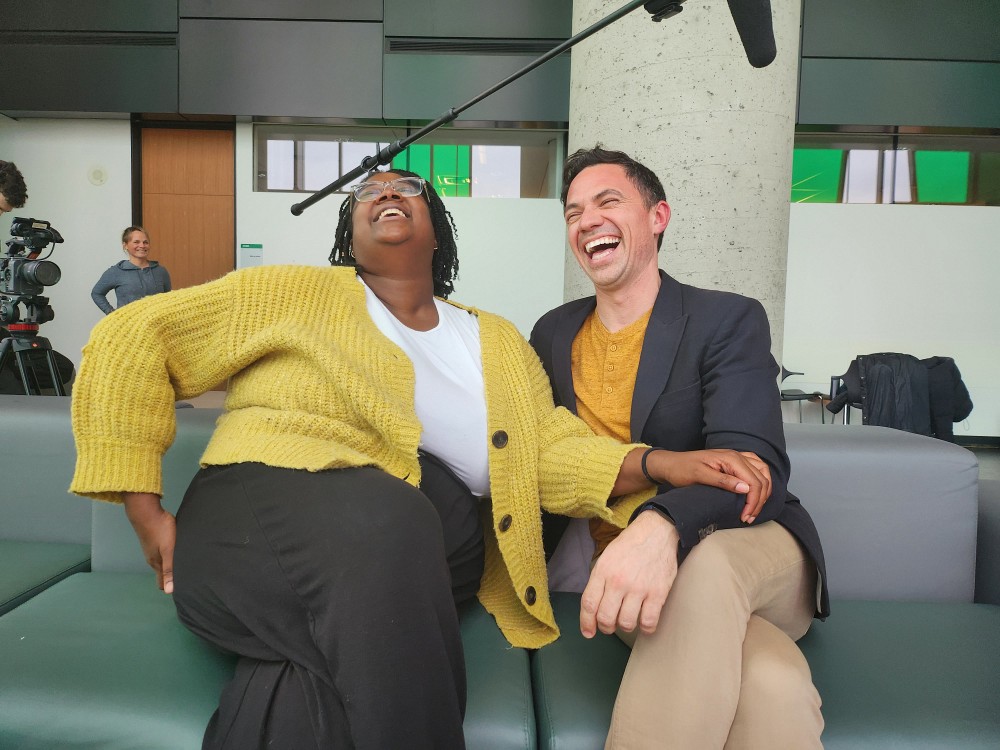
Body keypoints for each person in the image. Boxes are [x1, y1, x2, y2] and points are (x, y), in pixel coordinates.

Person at [70, 168, 770, 750]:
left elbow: (545, 453)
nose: (386, 195)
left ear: (437, 229)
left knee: (342, 614)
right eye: (367, 194)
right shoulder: (292, 292)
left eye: (407, 188)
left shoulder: (494, 340)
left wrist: (656, 465)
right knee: (388, 516)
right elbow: (134, 336)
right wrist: (142, 505)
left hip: (419, 550)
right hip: (261, 510)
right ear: (350, 234)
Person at [530, 146, 829, 749]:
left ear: (658, 216)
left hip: (751, 543)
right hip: (630, 577)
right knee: (772, 685)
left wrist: (660, 524)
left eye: (608, 201)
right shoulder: (553, 332)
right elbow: (546, 455)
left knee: (708, 567)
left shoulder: (725, 319)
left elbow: (752, 468)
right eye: (572, 212)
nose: (586, 220)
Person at [90, 226, 172, 313]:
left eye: (145, 242)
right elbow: (97, 293)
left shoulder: (160, 271)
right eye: (136, 242)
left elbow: (167, 298)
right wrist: (111, 313)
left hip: (156, 324)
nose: (142, 245)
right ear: (125, 245)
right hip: (129, 325)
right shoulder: (116, 272)